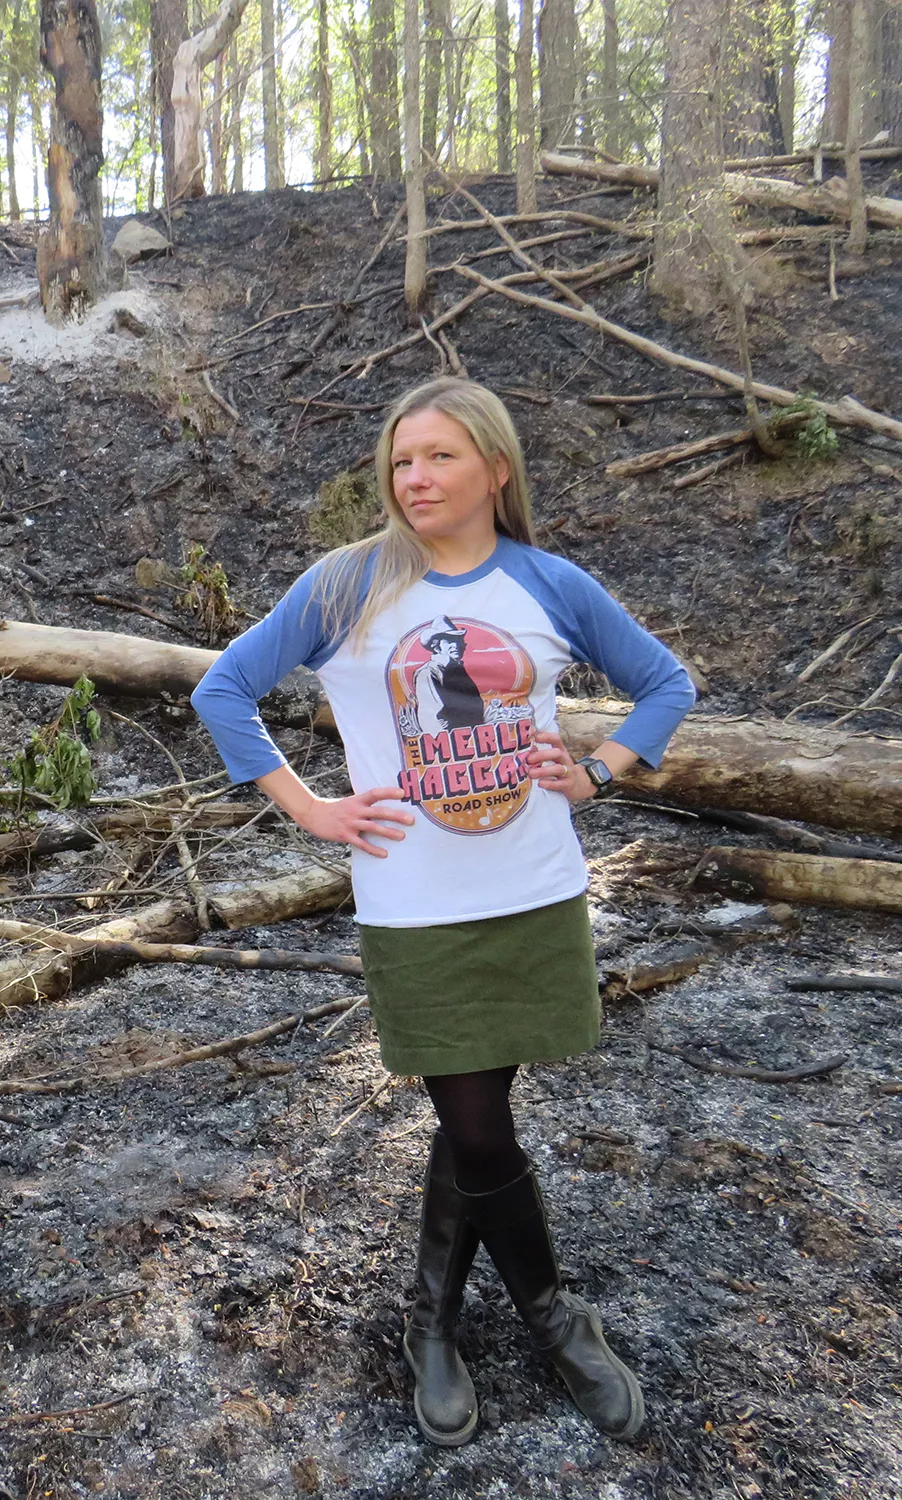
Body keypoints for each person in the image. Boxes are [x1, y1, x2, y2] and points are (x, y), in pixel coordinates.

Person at [191, 376, 695, 1449]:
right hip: (414, 903)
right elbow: (222, 690)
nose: (413, 477)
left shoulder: (548, 582)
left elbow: (666, 685)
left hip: (532, 889)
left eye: (439, 456)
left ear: (495, 469)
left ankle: (432, 1323)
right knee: (472, 1119)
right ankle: (554, 1318)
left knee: (478, 1120)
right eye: (401, 459)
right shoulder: (348, 583)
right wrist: (312, 810)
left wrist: (597, 772)